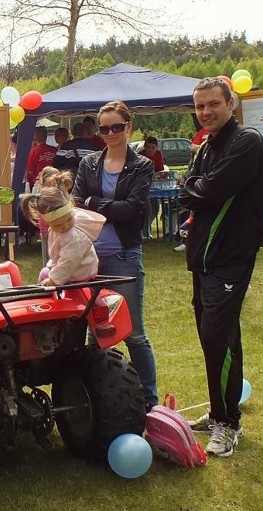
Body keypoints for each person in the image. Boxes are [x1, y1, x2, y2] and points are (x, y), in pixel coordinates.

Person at [178, 76, 263, 457]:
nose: (206, 112)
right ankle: (220, 413)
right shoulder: (207, 145)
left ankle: (228, 423)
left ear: (231, 102)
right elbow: (189, 188)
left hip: (230, 258)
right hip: (203, 256)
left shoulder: (246, 141)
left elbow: (208, 191)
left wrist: (198, 188)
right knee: (216, 338)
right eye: (200, 106)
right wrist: (198, 187)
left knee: (218, 338)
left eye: (213, 103)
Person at [71, 101, 157, 411]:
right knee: (96, 334)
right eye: (104, 128)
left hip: (122, 256)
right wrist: (102, 205)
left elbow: (133, 210)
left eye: (117, 127)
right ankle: (99, 400)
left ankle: (150, 403)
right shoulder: (90, 163)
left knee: (134, 333)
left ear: (129, 127)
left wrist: (96, 202)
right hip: (87, 261)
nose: (110, 133)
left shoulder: (142, 165)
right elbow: (77, 204)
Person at [20, 186, 105, 285]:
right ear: (48, 223)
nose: (65, 226)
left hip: (79, 272)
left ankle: (48, 296)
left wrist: (53, 280)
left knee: (45, 276)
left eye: (69, 219)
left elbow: (69, 262)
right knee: (45, 273)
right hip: (71, 270)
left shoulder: (75, 237)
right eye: (58, 224)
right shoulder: (56, 230)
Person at [31, 166, 73, 265]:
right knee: (51, 252)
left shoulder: (58, 194)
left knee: (55, 251)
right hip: (50, 230)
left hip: (55, 229)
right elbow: (41, 216)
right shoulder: (46, 196)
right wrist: (44, 230)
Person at [138, 137, 165, 239]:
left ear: (156, 148)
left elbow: (160, 171)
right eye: (148, 147)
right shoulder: (140, 155)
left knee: (156, 208)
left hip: (154, 185)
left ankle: (147, 228)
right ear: (145, 147)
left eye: (153, 148)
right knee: (147, 209)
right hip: (143, 186)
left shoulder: (158, 154)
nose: (150, 150)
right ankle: (144, 232)